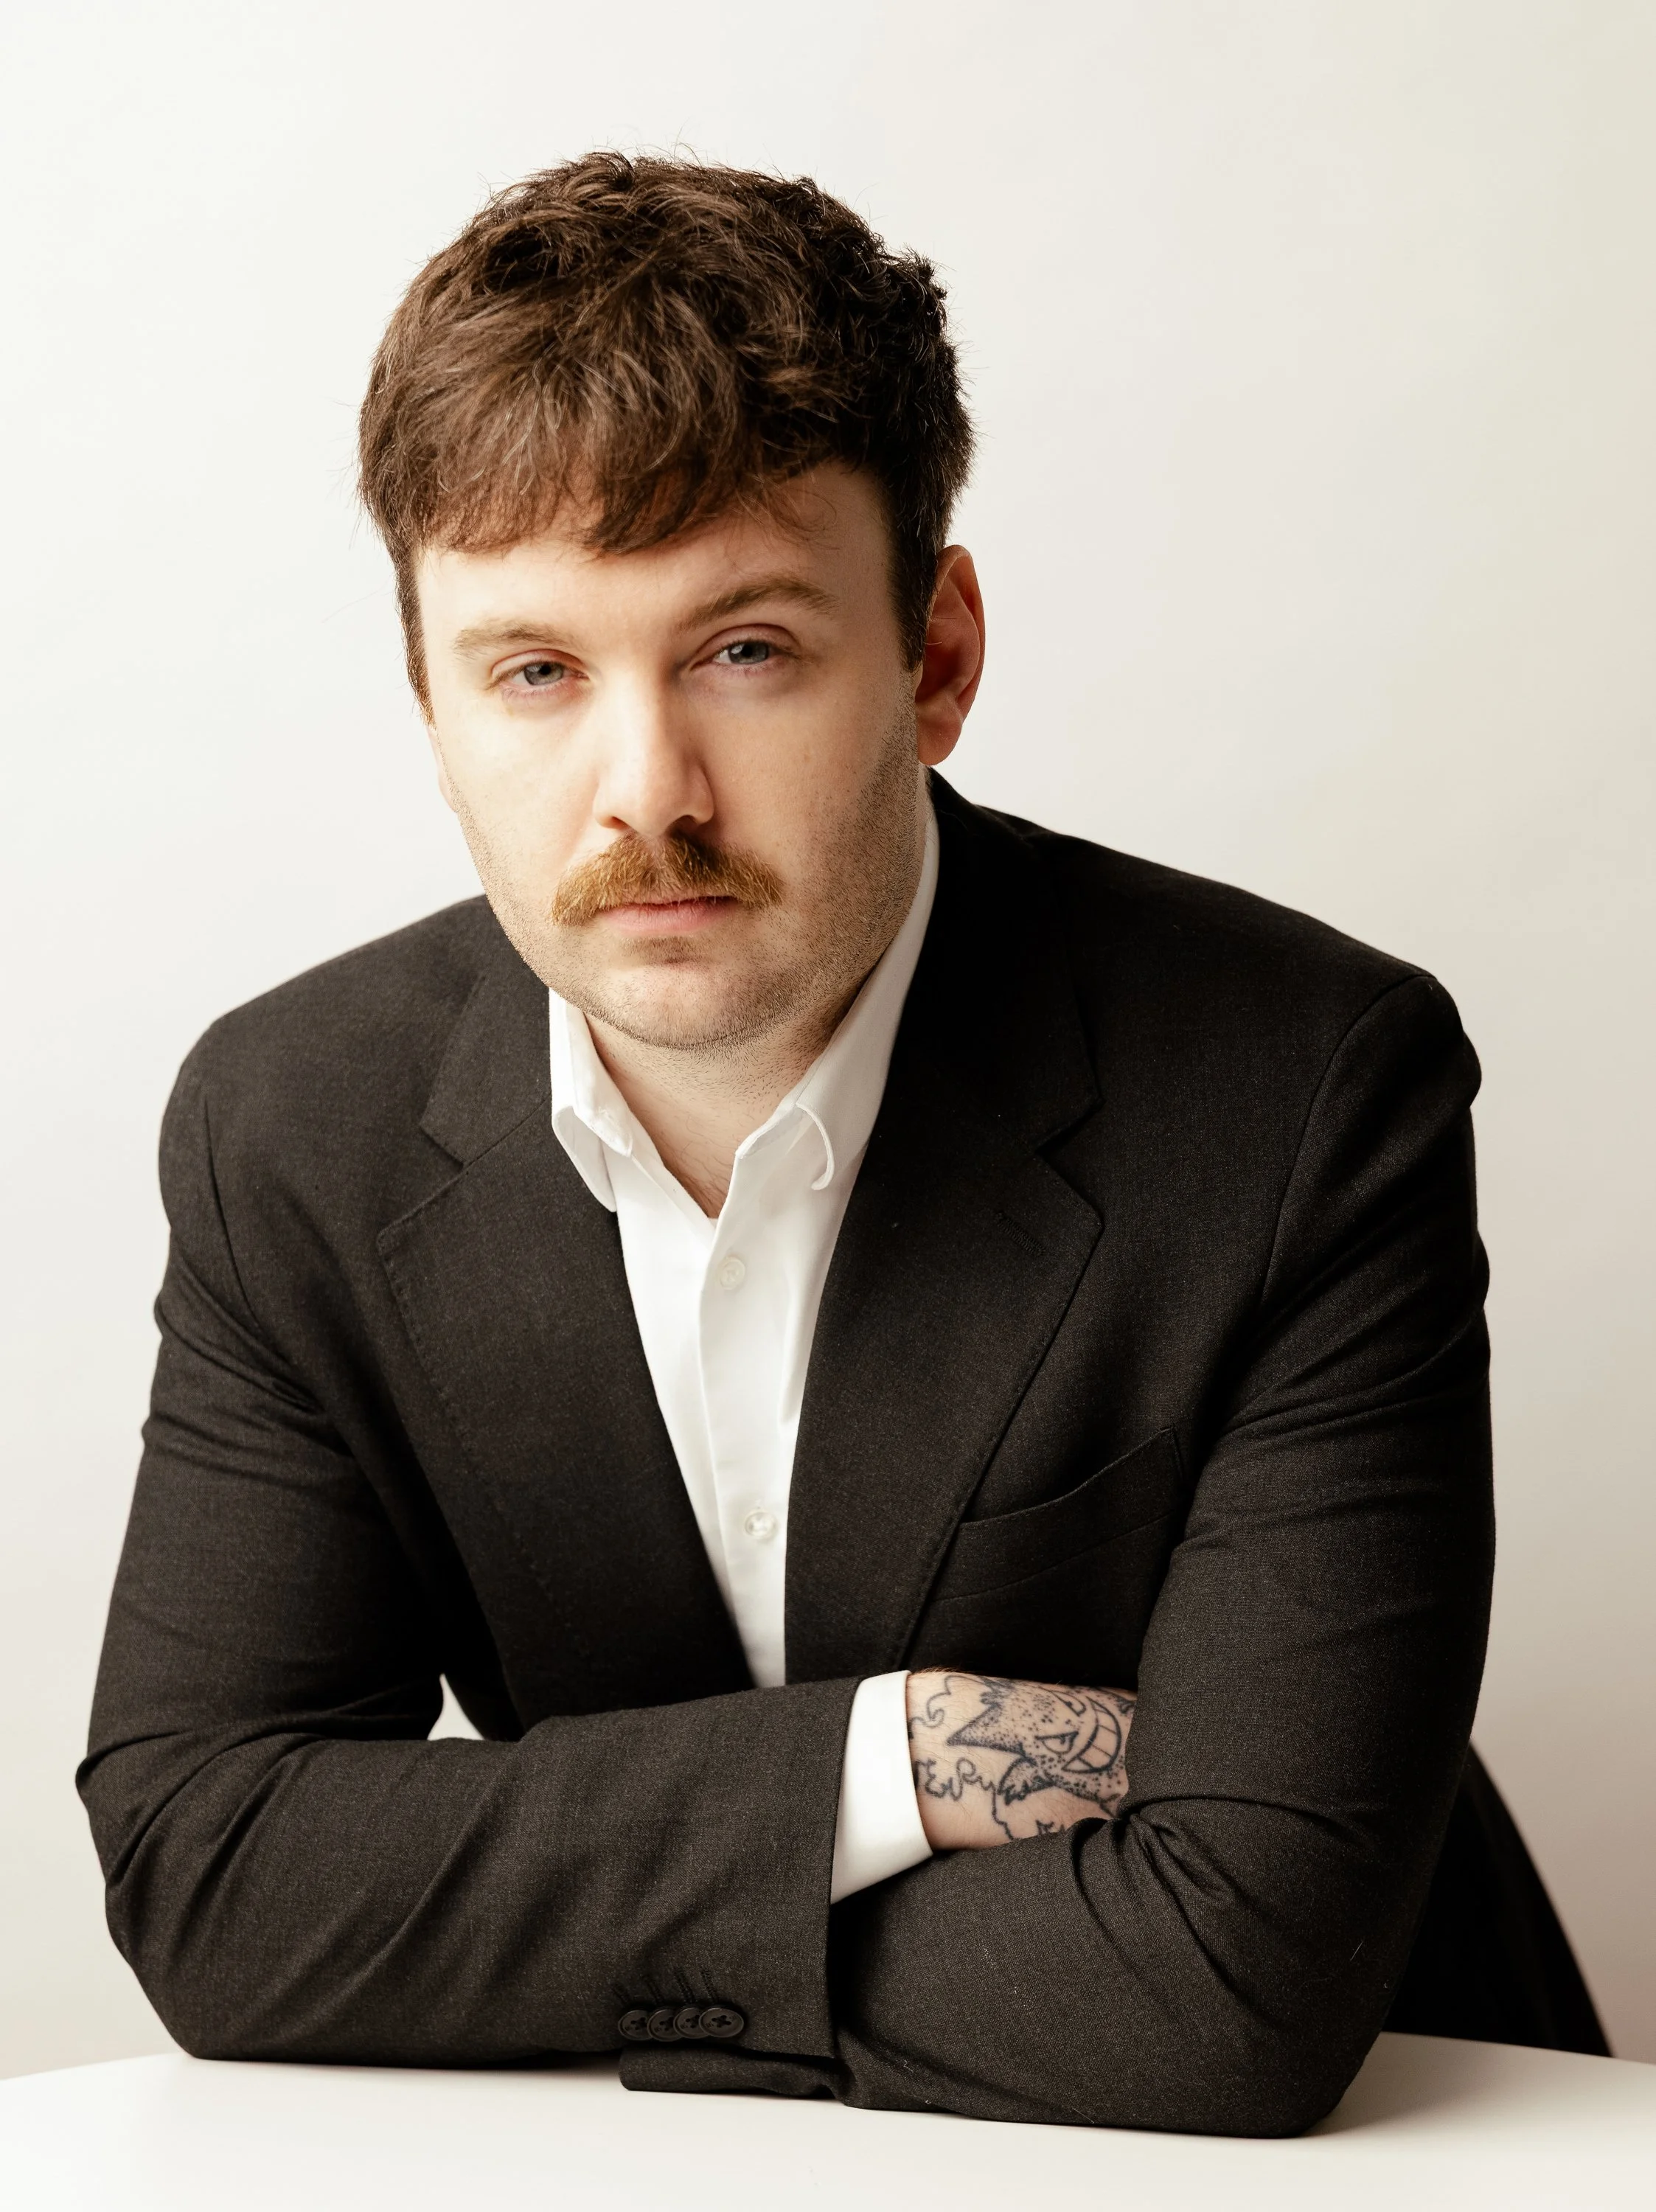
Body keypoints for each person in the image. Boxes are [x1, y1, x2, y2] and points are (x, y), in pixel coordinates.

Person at [79, 153, 1605, 2133]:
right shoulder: (293, 1125)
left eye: (745, 650)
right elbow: (213, 1884)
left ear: (936, 658)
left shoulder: (1304, 1091)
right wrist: (906, 1759)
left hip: (1388, 2149)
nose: (645, 792)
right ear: (430, 703)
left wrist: (495, 1940)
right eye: (535, 671)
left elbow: (1234, 1977)